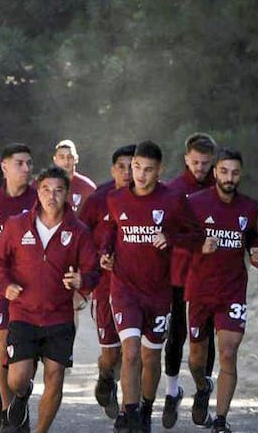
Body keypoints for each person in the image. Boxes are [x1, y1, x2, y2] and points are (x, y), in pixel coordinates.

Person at [100, 140, 207, 433]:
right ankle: (128, 413)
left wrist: (171, 238)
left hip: (159, 292)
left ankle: (146, 407)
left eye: (148, 169)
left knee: (151, 356)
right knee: (131, 352)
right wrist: (105, 252)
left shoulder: (173, 200)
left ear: (159, 171)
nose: (141, 175)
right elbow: (110, 228)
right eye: (137, 167)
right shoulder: (116, 198)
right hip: (124, 288)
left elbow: (197, 236)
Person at [0, 165, 99, 433]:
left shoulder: (79, 231)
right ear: (38, 192)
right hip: (23, 314)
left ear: (67, 194)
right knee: (18, 378)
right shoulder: (17, 225)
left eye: (59, 191)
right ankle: (22, 398)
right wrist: (6, 286)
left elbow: (93, 271)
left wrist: (81, 281)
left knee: (55, 377)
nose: (52, 196)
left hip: (59, 316)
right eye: (47, 190)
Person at [185, 148, 258, 432]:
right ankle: (203, 386)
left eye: (235, 172)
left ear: (241, 174)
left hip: (232, 290)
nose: (230, 178)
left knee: (228, 352)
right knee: (196, 359)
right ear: (215, 172)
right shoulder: (194, 203)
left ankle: (220, 420)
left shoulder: (249, 206)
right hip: (201, 290)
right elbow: (180, 235)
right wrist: (199, 245)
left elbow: (252, 235)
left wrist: (256, 248)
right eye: (224, 171)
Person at [0, 143, 37, 428]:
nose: (26, 168)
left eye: (29, 163)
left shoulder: (41, 199)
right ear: (4, 167)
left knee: (28, 349)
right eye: (19, 163)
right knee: (2, 340)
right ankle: (8, 413)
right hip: (0, 286)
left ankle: (22, 396)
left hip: (36, 286)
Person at [161, 133, 217, 427]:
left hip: (209, 277)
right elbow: (165, 233)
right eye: (195, 162)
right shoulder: (173, 190)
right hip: (178, 273)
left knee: (205, 337)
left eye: (205, 163)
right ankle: (172, 392)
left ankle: (202, 391)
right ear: (186, 159)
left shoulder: (218, 188)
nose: (200, 168)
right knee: (177, 333)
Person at [78, 144, 135, 420]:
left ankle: (129, 410)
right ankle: (105, 376)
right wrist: (94, 262)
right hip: (105, 286)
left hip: (139, 288)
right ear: (113, 170)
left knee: (132, 350)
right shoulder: (98, 199)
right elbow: (80, 237)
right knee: (111, 354)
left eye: (132, 166)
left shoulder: (154, 198)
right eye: (121, 167)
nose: (127, 172)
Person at [52, 139, 96, 213]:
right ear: (55, 160)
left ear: (76, 159)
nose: (66, 161)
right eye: (62, 157)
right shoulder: (41, 186)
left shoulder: (88, 188)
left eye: (70, 157)